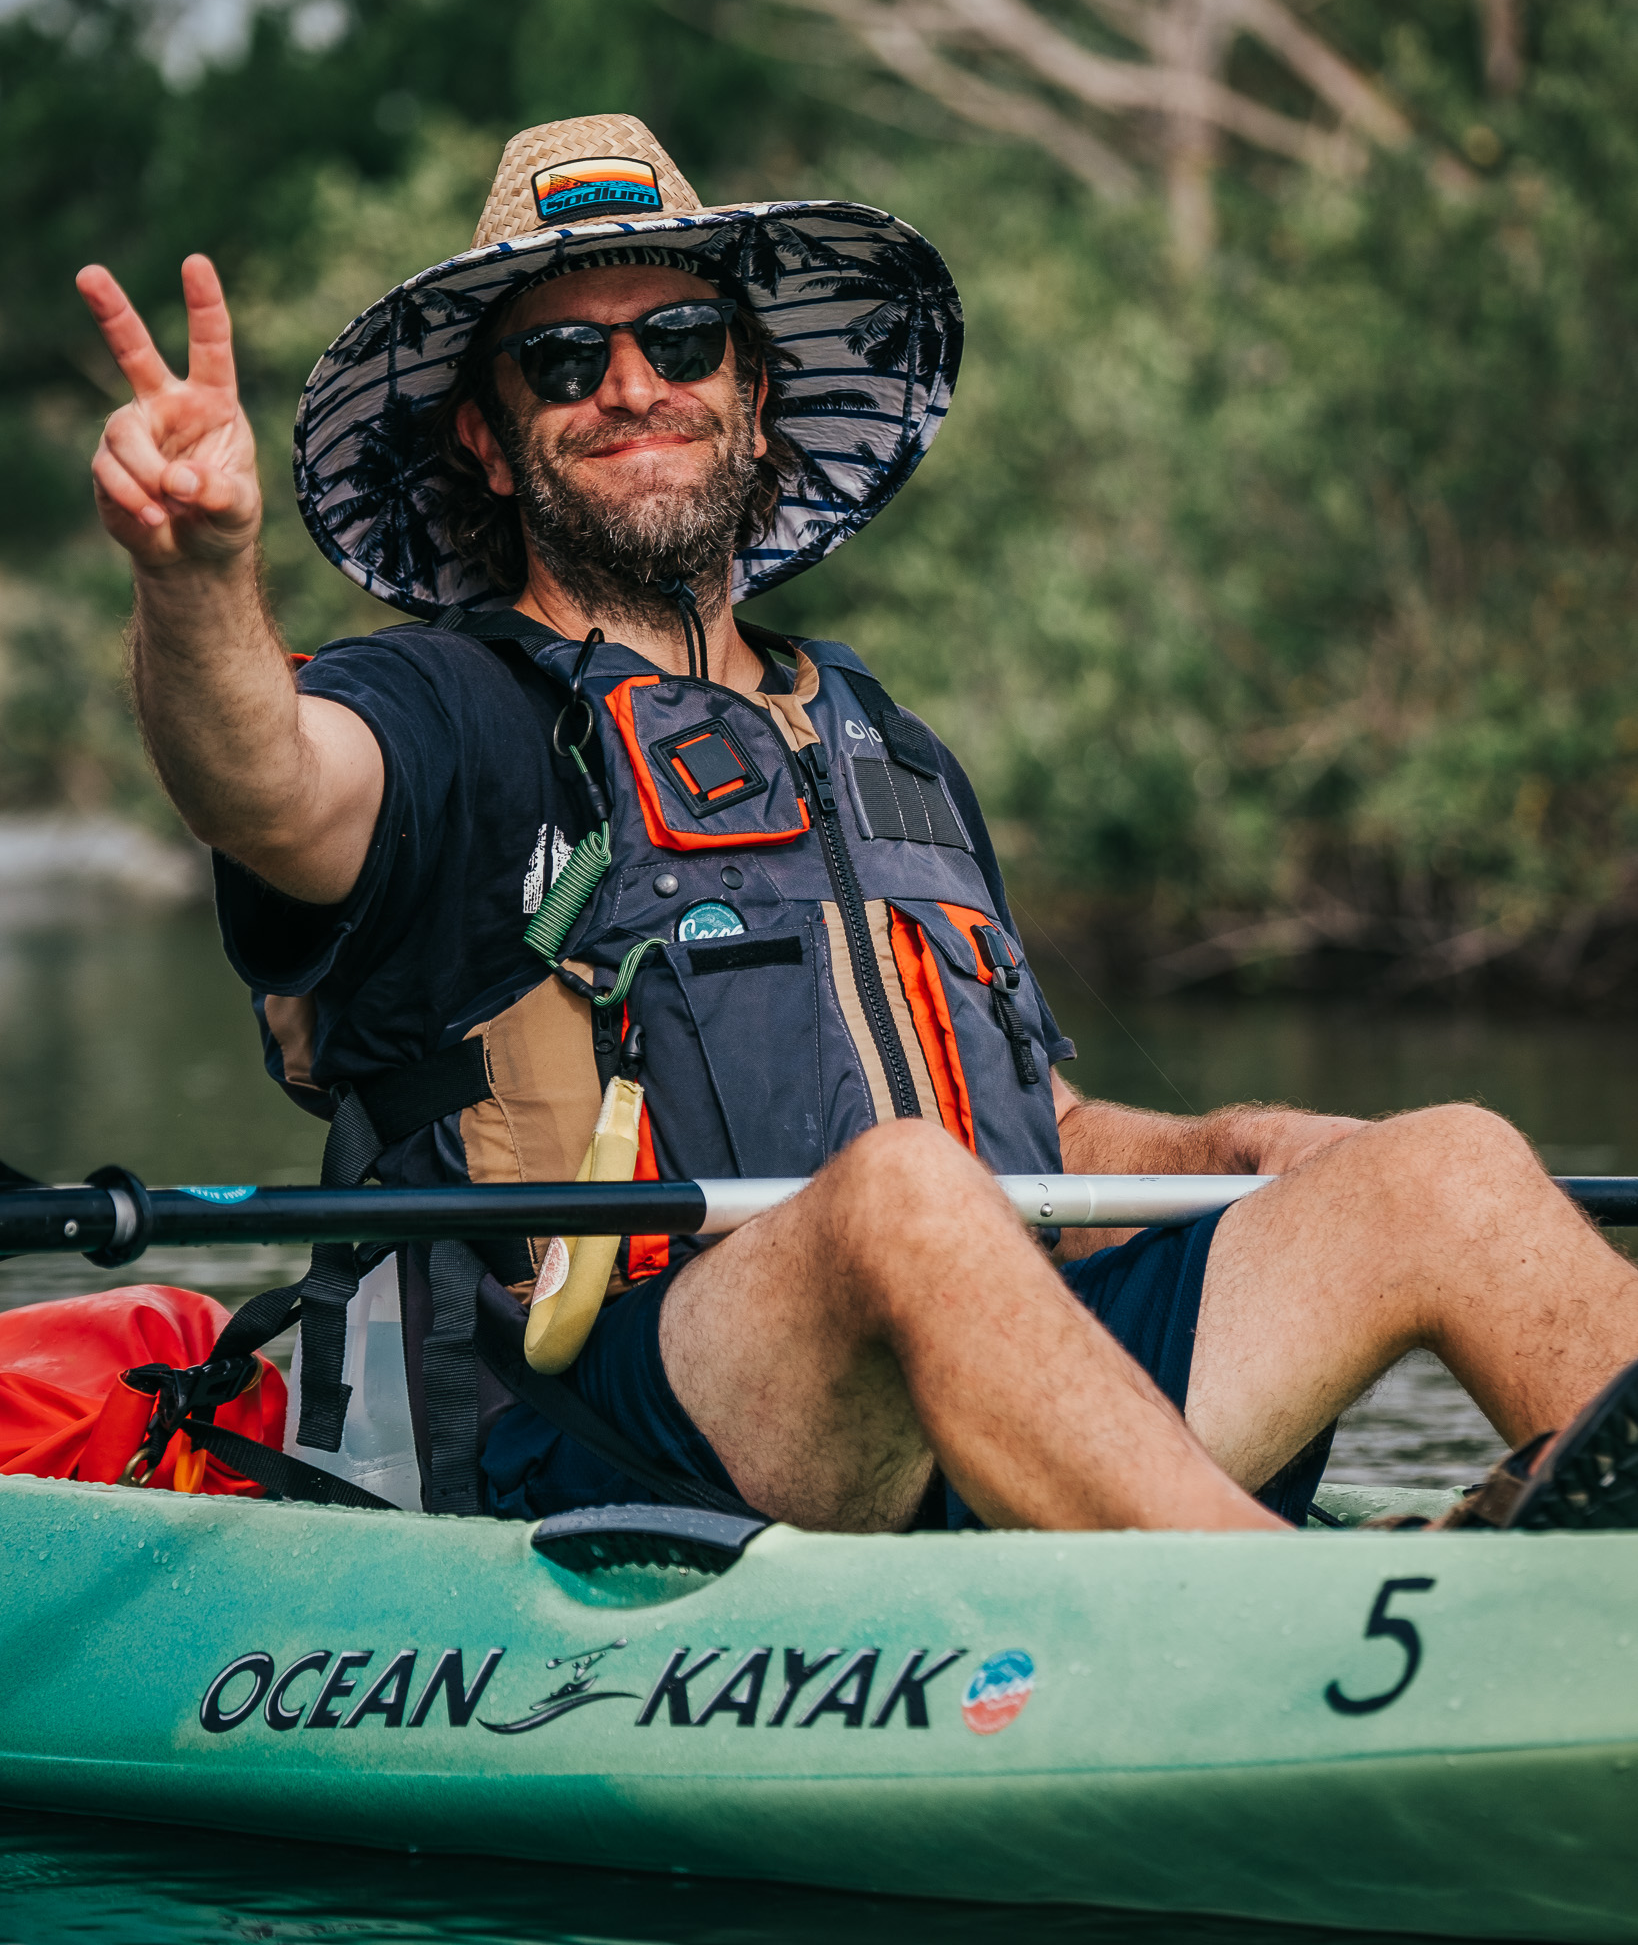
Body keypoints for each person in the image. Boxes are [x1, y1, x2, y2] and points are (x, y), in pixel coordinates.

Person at [77, 113, 1638, 1534]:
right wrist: (194, 573)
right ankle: (1289, 1648)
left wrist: (1247, 1147)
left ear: (752, 400)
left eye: (682, 340)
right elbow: (266, 782)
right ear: (486, 440)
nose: (632, 385)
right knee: (903, 1196)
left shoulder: (884, 742)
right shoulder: (442, 711)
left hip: (996, 1371)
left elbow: (1037, 1142)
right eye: (561, 362)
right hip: (613, 1425)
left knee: (1448, 1166)